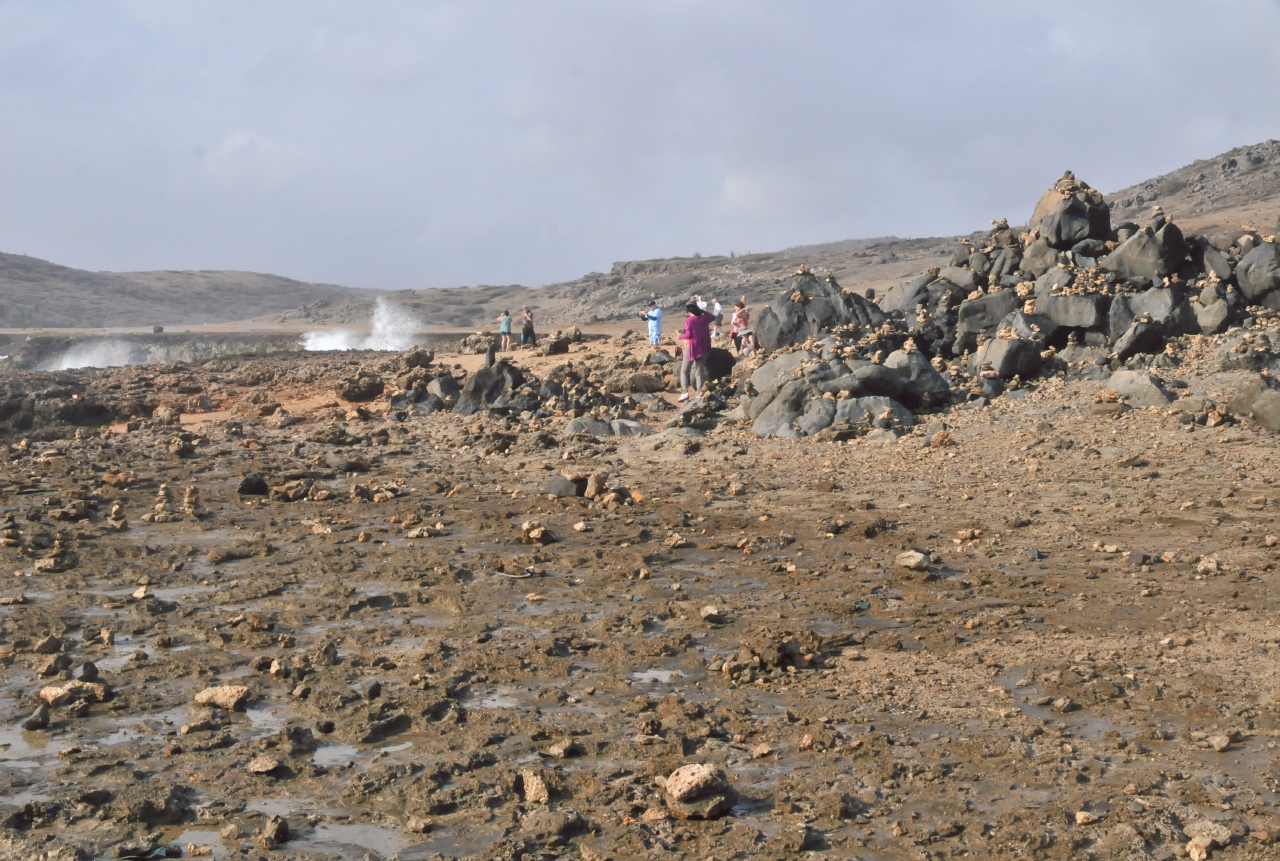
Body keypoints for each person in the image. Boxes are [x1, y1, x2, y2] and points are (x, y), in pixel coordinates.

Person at [676, 301, 712, 403]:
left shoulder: (690, 320)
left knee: (684, 370)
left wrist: (680, 336)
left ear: (689, 312)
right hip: (704, 347)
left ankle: (685, 392)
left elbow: (688, 334)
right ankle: (699, 393)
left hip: (692, 347)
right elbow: (712, 316)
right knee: (699, 371)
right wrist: (702, 311)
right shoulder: (704, 318)